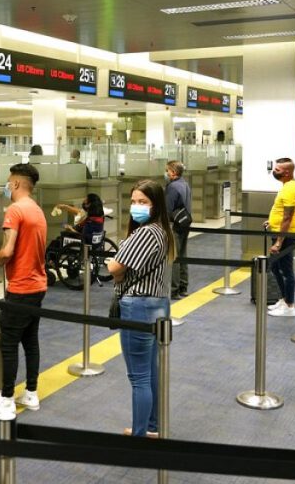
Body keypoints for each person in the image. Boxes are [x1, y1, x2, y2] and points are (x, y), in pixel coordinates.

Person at [106, 179, 175, 437]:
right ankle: (151, 427)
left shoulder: (146, 233)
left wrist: (115, 267)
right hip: (156, 304)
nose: (137, 206)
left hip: (138, 306)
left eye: (143, 202)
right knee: (150, 370)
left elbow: (115, 267)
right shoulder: (162, 231)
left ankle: (139, 436)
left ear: (156, 205)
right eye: (134, 201)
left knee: (139, 377)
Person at [0, 164, 47, 417]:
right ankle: (31, 392)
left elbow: (7, 252)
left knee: (8, 344)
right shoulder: (37, 210)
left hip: (20, 288)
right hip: (38, 286)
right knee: (30, 341)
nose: (7, 186)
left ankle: (6, 398)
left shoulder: (15, 210)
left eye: (9, 182)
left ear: (16, 183)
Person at [265, 157, 295, 317]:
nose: (274, 171)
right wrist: (272, 221)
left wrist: (279, 242)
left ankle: (289, 306)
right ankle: (283, 299)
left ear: (287, 172)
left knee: (286, 271)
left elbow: (288, 217)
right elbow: (282, 212)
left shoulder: (290, 189)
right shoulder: (287, 186)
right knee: (275, 267)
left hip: (286, 236)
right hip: (279, 232)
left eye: (278, 170)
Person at [164, 160, 192, 299]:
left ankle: (174, 290)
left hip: (174, 224)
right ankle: (183, 287)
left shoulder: (172, 187)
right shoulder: (185, 184)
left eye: (167, 170)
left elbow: (168, 209)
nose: (166, 173)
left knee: (174, 256)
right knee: (182, 255)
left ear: (174, 172)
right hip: (185, 222)